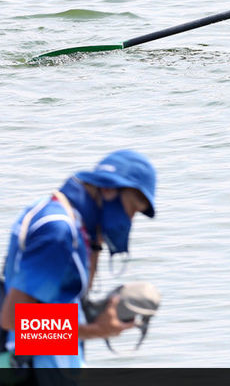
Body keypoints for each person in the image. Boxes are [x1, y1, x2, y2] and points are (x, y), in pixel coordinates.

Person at [1, 150, 157, 369]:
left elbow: (68, 294)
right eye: (131, 209)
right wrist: (96, 331)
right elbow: (14, 321)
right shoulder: (58, 231)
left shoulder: (67, 218)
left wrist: (96, 241)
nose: (129, 220)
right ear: (109, 189)